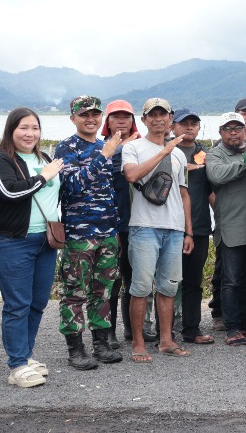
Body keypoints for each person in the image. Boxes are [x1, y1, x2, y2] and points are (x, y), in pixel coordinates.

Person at [0, 108, 64, 387]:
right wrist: (44, 177)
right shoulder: (1, 160)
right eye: (24, 128)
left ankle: (26, 355)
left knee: (37, 302)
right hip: (12, 242)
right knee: (17, 305)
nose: (30, 133)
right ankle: (17, 365)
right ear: (11, 130)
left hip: (45, 242)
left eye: (35, 128)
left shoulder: (44, 157)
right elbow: (11, 192)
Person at [54, 96, 125, 369]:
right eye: (84, 114)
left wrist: (115, 229)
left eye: (95, 114)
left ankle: (101, 344)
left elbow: (109, 192)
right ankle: (75, 349)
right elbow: (72, 185)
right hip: (79, 235)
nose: (90, 119)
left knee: (103, 291)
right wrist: (103, 156)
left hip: (107, 231)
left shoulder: (102, 145)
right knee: (74, 293)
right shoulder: (66, 148)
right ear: (73, 118)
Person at [121, 98, 193, 363]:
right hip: (144, 226)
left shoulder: (178, 153)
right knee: (140, 287)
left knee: (169, 286)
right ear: (144, 120)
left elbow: (184, 194)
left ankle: (166, 340)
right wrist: (163, 151)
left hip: (173, 228)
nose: (158, 119)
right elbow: (131, 175)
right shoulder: (134, 147)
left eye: (163, 114)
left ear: (170, 118)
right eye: (153, 115)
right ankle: (138, 343)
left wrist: (189, 231)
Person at [205, 111, 246, 348]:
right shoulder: (214, 154)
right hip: (231, 227)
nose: (233, 132)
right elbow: (217, 174)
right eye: (228, 128)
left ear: (245, 130)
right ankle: (232, 326)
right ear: (221, 133)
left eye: (238, 127)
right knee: (231, 280)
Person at [102, 99, 143, 346]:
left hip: (139, 220)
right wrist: (120, 148)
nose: (121, 120)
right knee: (112, 280)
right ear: (107, 121)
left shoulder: (142, 144)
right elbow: (106, 168)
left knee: (134, 278)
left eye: (126, 116)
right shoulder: (102, 147)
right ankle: (109, 331)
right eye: (115, 116)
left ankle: (132, 329)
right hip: (114, 222)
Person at [172, 107, 213, 345]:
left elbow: (212, 191)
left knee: (193, 281)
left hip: (199, 225)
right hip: (168, 225)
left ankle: (191, 328)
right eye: (183, 123)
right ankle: (162, 332)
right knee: (166, 281)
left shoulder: (206, 155)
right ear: (172, 125)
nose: (189, 127)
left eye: (194, 123)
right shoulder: (164, 151)